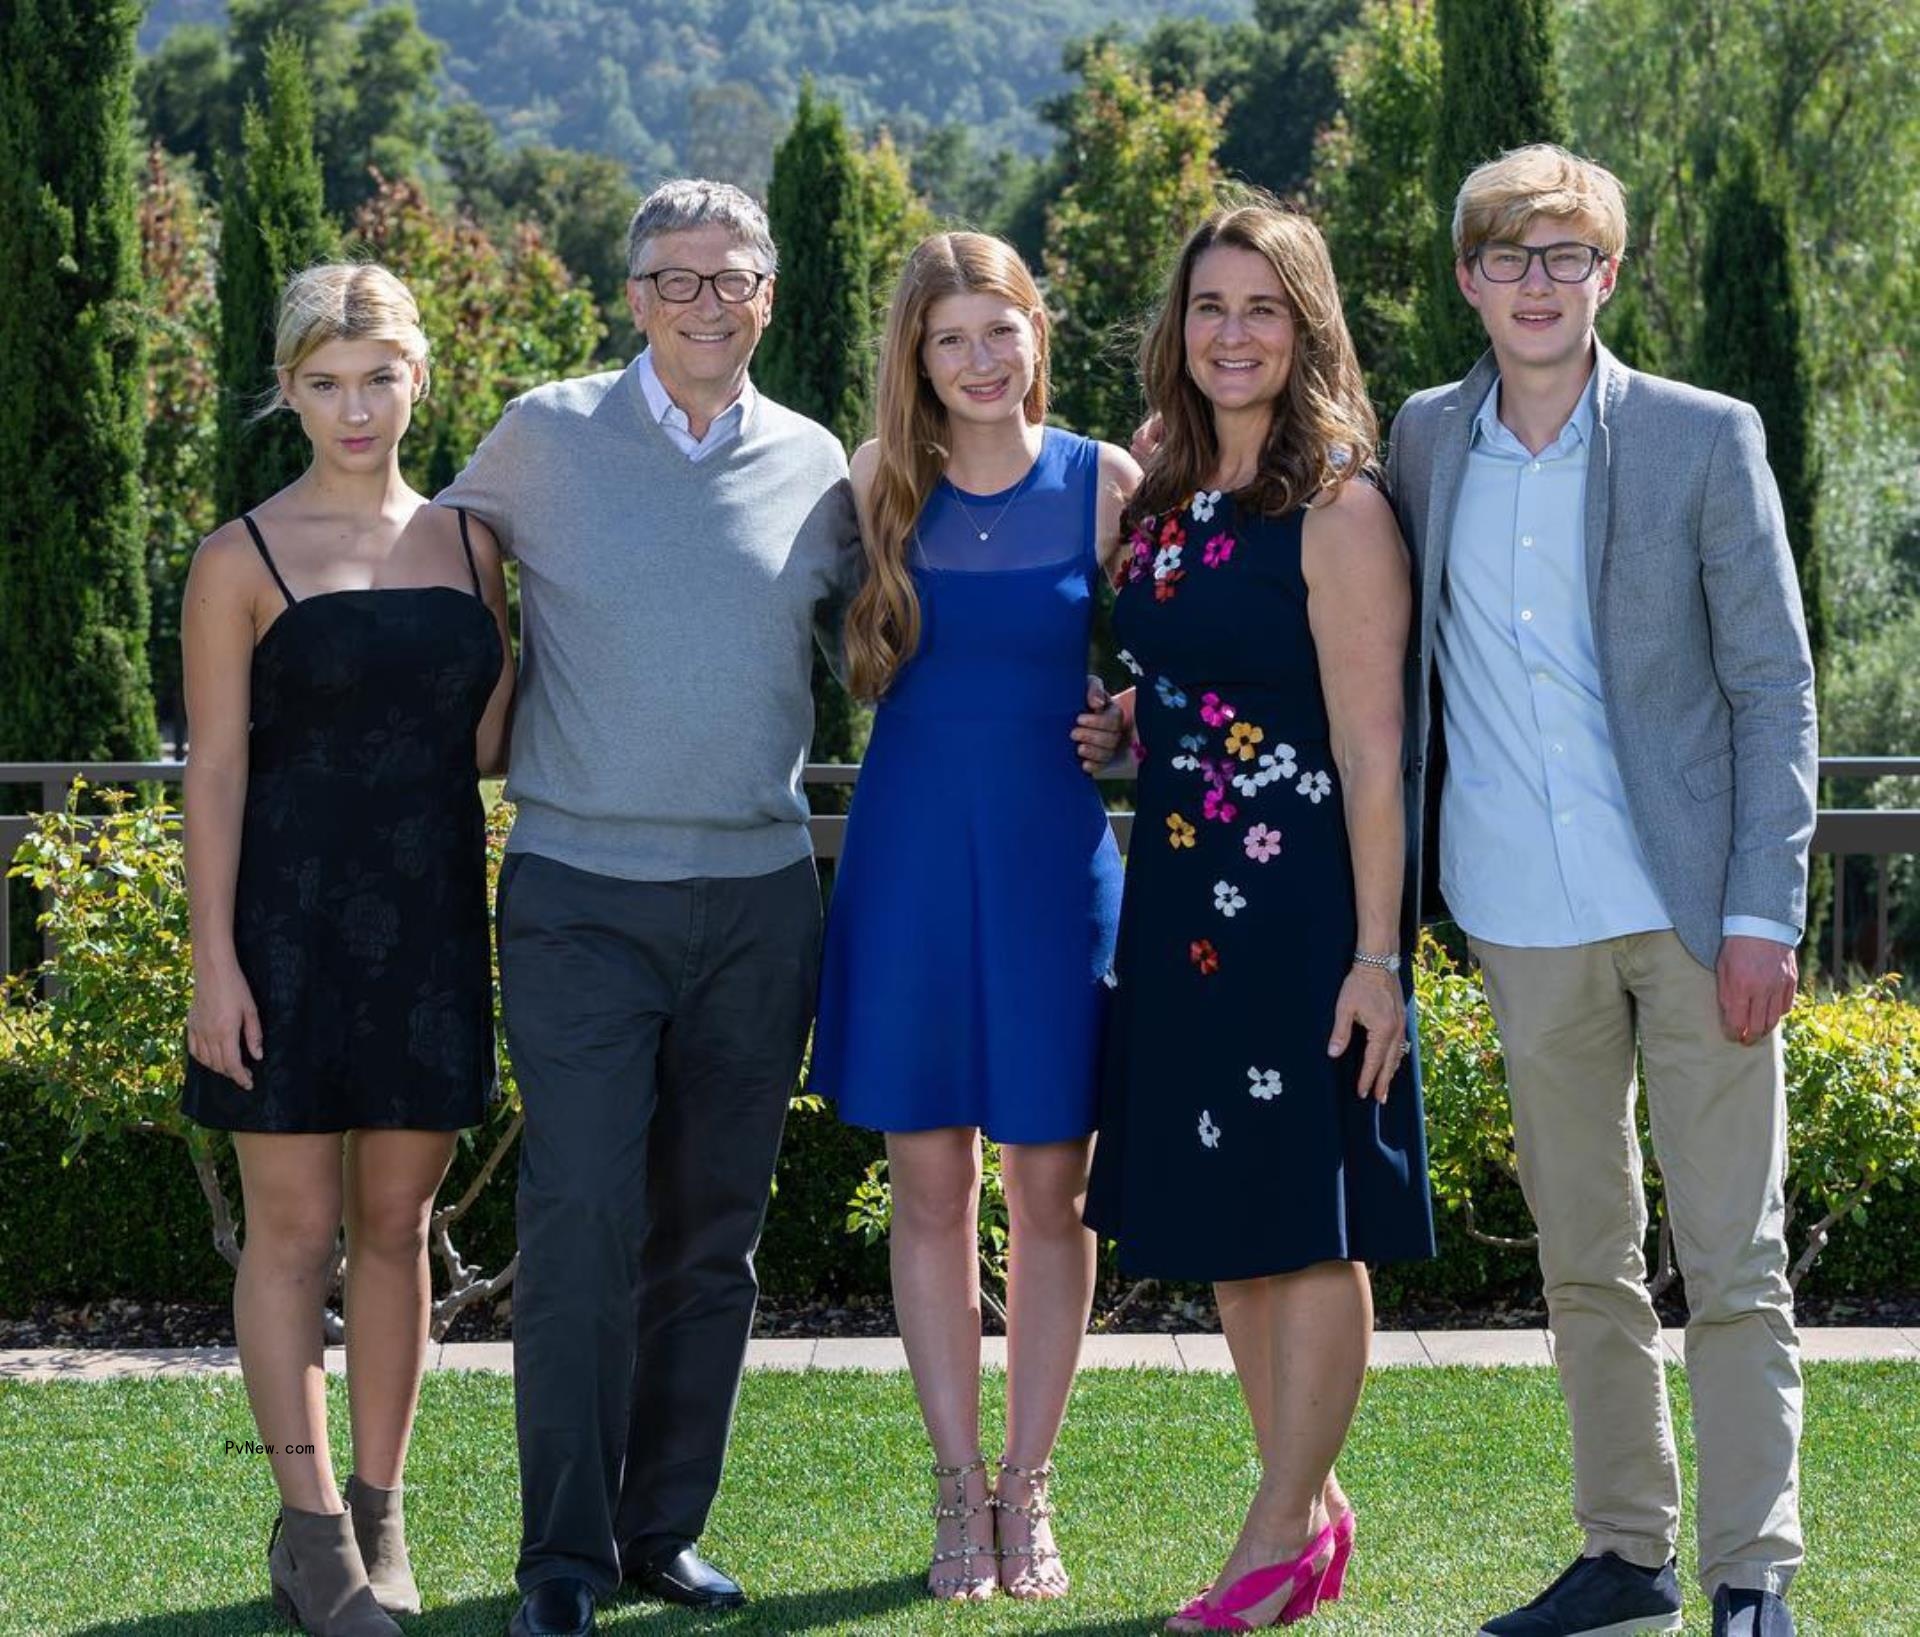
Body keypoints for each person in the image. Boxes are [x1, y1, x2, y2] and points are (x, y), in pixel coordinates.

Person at [1387, 145, 1816, 1637]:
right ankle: (1625, 1552)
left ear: (1610, 273)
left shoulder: (1706, 438)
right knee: (1586, 1258)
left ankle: (1752, 1572)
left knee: (1733, 1258)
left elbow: (1775, 683)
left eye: (1567, 255)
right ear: (1468, 278)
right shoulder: (1425, 441)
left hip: (1699, 919)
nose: (1537, 283)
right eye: (1508, 256)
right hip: (1520, 913)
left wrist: (1767, 910)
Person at [437, 179, 866, 1637]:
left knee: (712, 1233)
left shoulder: (818, 465)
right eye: (671, 278)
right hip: (576, 894)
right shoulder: (541, 434)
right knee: (580, 1217)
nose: (701, 301)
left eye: (729, 275)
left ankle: (661, 1529)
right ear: (631, 297)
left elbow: (898, 640)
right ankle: (558, 1553)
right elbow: (424, 554)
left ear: (769, 294)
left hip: (756, 898)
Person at [1085, 200, 1435, 1632]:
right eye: (1210, 308)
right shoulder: (1166, 494)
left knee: (1310, 1214)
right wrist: (1129, 727)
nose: (1232, 335)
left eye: (1263, 309)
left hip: (1299, 916)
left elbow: (1372, 751)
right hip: (1177, 911)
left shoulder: (1339, 505)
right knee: (1231, 1224)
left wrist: (1377, 957)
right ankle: (1308, 1498)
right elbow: (1191, 685)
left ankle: (1279, 1526)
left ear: (1308, 327)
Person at [182, 263, 514, 1636]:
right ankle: (310, 1534)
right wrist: (215, 959)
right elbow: (211, 771)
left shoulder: (472, 546)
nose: (355, 405)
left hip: (430, 922)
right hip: (285, 930)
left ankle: (381, 1512)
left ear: (417, 377)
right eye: (324, 381)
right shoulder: (235, 557)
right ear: (289, 391)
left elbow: (486, 744)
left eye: (377, 375)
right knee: (293, 1231)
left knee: (399, 1226)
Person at [808, 231, 1136, 1602]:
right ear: (918, 358)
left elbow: (1195, 660)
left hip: (1056, 864)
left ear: (1035, 334)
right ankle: (956, 1492)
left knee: (1051, 1194)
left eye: (1000, 331)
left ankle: (1030, 1485)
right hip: (911, 868)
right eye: (953, 339)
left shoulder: (1105, 481)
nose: (982, 360)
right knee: (930, 1188)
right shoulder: (880, 482)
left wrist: (1130, 718)